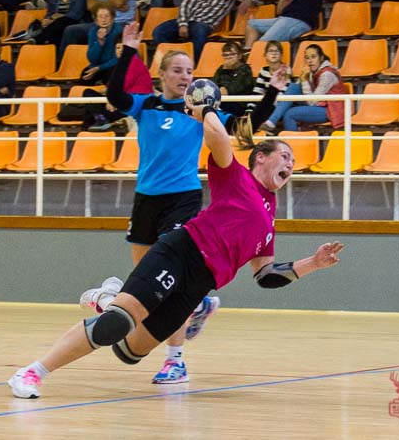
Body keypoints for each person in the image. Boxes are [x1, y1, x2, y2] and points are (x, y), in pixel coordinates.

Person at [7, 75, 344, 399]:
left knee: (130, 351)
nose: (291, 164)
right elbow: (217, 137)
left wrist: (313, 263)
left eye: (294, 161)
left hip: (199, 285)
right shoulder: (236, 177)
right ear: (261, 157)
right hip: (181, 253)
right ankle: (33, 372)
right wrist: (207, 107)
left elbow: (266, 275)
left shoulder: (269, 218)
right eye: (285, 156)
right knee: (114, 325)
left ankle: (109, 298)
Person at [78, 21, 286, 384]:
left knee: (170, 281)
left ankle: (175, 360)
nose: (185, 77)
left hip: (182, 198)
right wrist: (129, 52)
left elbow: (248, 125)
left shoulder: (200, 112)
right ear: (162, 74)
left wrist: (273, 91)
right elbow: (115, 94)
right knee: (146, 281)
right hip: (146, 198)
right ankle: (196, 305)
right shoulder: (147, 104)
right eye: (177, 70)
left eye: (189, 71)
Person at [259, 43, 347, 133]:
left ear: (321, 58)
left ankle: (292, 140)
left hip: (332, 110)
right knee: (294, 87)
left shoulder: (327, 74)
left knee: (290, 113)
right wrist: (302, 79)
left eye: (313, 57)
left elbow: (313, 102)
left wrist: (304, 80)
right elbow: (298, 89)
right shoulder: (312, 71)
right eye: (307, 58)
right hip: (320, 104)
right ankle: (272, 121)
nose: (310, 61)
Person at [81, 4, 123, 86]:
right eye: (100, 17)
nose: (104, 19)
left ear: (112, 18)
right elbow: (92, 59)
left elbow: (119, 58)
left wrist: (99, 68)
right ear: (96, 20)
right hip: (98, 65)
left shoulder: (119, 31)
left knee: (111, 74)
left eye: (107, 16)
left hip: (114, 65)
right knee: (85, 75)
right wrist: (99, 42)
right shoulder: (93, 32)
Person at [213, 41, 255, 117]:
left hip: (239, 105)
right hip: (223, 102)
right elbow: (213, 86)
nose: (228, 57)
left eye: (232, 54)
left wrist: (226, 70)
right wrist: (225, 70)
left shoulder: (245, 70)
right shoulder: (222, 68)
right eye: (225, 55)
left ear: (240, 56)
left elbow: (229, 91)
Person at [251, 40, 285, 111]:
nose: (274, 53)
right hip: (266, 104)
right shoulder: (263, 70)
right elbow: (257, 91)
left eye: (277, 51)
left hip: (279, 106)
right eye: (271, 51)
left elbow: (283, 94)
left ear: (281, 55)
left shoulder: (286, 70)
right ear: (265, 55)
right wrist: (249, 110)